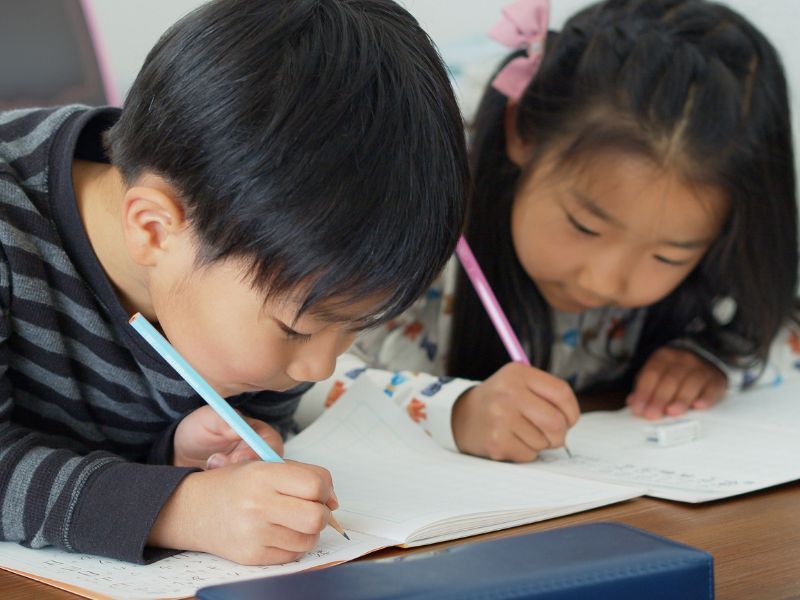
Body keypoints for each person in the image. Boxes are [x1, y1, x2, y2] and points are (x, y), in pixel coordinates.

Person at [0, 0, 468, 565]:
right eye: (297, 331)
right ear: (153, 228)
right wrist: (184, 508)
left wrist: (180, 449)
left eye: (353, 331)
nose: (321, 368)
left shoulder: (246, 248)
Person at [299, 0, 799, 464]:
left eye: (669, 256)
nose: (605, 282)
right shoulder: (407, 208)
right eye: (585, 225)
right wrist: (456, 412)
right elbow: (289, 374)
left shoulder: (727, 244)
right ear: (524, 131)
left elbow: (783, 320)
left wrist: (715, 357)